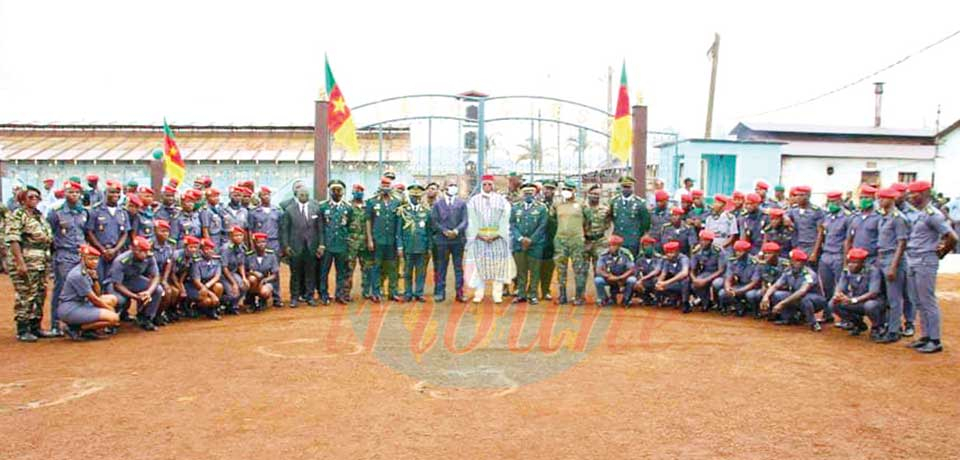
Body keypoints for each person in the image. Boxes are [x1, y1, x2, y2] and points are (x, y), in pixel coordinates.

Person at [903, 180, 958, 354]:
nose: (910, 197)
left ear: (923, 194)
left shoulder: (933, 214)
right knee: (918, 301)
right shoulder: (921, 213)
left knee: (927, 301)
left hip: (925, 261)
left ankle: (935, 340)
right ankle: (925, 336)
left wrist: (941, 253)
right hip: (914, 259)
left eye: (913, 193)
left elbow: (952, 237)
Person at [7, 185, 55, 342]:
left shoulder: (38, 216)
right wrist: (20, 263)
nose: (34, 200)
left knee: (40, 293)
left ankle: (36, 326)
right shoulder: (18, 215)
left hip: (41, 261)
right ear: (22, 199)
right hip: (26, 260)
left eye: (37, 197)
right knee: (26, 294)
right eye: (30, 197)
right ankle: (23, 328)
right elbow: (13, 240)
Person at [465, 174, 514, 304]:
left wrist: (498, 234)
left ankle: (497, 295)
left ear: (493, 185)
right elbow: (470, 220)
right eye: (485, 184)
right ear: (482, 185)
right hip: (479, 239)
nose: (487, 187)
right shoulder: (474, 200)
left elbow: (506, 219)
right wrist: (478, 235)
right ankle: (478, 294)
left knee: (498, 267)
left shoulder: (502, 201)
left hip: (497, 239)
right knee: (479, 267)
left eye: (489, 184)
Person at [47, 179, 87, 337]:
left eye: (77, 192)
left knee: (80, 288)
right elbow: (49, 234)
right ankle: (56, 323)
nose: (74, 195)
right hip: (64, 254)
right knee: (62, 288)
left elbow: (85, 232)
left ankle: (75, 324)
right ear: (64, 194)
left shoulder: (83, 212)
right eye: (71, 192)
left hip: (80, 255)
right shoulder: (56, 212)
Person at [57, 244, 121, 340]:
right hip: (70, 308)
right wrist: (110, 310)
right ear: (83, 258)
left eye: (96, 259)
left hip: (82, 303)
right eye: (91, 259)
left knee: (112, 299)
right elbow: (94, 299)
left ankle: (89, 330)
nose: (94, 262)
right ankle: (76, 329)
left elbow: (98, 294)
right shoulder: (78, 275)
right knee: (113, 318)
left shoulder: (87, 270)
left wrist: (95, 279)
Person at [874, 187, 910, 343]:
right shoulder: (884, 216)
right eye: (879, 198)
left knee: (894, 298)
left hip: (892, 258)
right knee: (885, 296)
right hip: (882, 258)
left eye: (883, 198)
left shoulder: (898, 218)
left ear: (891, 199)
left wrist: (894, 266)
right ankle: (888, 325)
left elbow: (902, 243)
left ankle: (894, 330)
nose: (880, 201)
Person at [760, 248, 826, 332]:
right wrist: (766, 297)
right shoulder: (788, 271)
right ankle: (789, 318)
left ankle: (813, 323)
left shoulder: (809, 275)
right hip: (797, 296)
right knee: (776, 294)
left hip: (815, 300)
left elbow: (802, 291)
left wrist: (782, 304)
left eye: (797, 261)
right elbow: (776, 285)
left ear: (803, 263)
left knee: (804, 299)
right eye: (793, 261)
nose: (793, 263)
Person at [107, 236, 162, 331]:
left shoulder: (149, 256)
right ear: (133, 250)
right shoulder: (121, 260)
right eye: (140, 251)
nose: (143, 254)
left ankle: (146, 318)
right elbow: (117, 284)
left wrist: (148, 292)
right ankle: (111, 323)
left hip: (134, 280)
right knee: (119, 300)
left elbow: (156, 276)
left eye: (145, 251)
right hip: (117, 283)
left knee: (158, 290)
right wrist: (135, 296)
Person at [830, 248, 883, 338]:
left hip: (874, 301)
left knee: (870, 306)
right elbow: (840, 287)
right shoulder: (847, 271)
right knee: (833, 304)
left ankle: (877, 327)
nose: (851, 265)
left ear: (863, 263)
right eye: (850, 262)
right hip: (856, 300)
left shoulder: (873, 271)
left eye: (855, 262)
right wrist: (837, 295)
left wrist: (853, 300)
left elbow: (873, 293)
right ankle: (858, 324)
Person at [85, 180, 129, 288]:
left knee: (115, 282)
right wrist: (102, 250)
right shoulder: (95, 210)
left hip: (116, 253)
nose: (115, 195)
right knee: (98, 282)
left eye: (118, 193)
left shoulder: (123, 212)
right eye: (112, 192)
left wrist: (115, 250)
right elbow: (89, 232)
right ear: (105, 193)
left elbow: (125, 233)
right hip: (99, 253)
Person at [282, 187, 321, 307]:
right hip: (295, 247)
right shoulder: (289, 210)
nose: (304, 196)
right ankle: (294, 298)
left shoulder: (316, 209)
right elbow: (285, 230)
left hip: (311, 246)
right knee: (295, 274)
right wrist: (286, 245)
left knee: (311, 273)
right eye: (301, 194)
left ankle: (310, 296)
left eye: (306, 194)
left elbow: (320, 229)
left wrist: (321, 244)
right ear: (297, 196)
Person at [552, 179, 589, 305]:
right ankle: (562, 296)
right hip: (560, 240)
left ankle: (579, 296)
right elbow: (553, 220)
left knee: (578, 268)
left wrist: (584, 236)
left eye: (569, 189)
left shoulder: (582, 204)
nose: (567, 192)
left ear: (574, 191)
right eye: (565, 189)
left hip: (577, 240)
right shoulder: (557, 204)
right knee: (560, 269)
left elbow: (588, 221)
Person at [366, 177, 403, 302]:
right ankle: (375, 292)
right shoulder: (372, 202)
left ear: (391, 187)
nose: (385, 188)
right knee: (376, 266)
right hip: (377, 240)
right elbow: (368, 221)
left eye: (388, 185)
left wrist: (399, 243)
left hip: (391, 241)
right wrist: (370, 239)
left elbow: (399, 224)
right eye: (383, 185)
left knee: (392, 267)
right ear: (380, 187)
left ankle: (393, 292)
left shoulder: (396, 202)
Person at [431, 179, 468, 303]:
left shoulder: (461, 203)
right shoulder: (438, 204)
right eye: (451, 185)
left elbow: (465, 221)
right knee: (441, 267)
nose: (453, 187)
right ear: (444, 188)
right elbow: (434, 221)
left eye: (455, 185)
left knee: (458, 267)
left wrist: (456, 231)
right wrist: (444, 231)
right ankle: (440, 292)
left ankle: (459, 292)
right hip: (442, 240)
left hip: (458, 240)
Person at [511, 182, 547, 305]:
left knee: (535, 270)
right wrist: (520, 238)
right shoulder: (515, 207)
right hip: (519, 244)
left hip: (535, 244)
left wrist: (531, 239)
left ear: (535, 193)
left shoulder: (541, 208)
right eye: (525, 193)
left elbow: (542, 226)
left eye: (530, 193)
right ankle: (521, 294)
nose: (528, 195)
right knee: (521, 271)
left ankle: (533, 294)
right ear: (521, 194)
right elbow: (512, 224)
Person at [819, 190, 853, 326]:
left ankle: (846, 318)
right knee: (827, 288)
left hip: (839, 255)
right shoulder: (827, 216)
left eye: (834, 201)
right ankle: (827, 314)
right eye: (829, 201)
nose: (831, 204)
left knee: (841, 287)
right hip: (826, 254)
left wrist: (846, 261)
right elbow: (822, 233)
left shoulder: (847, 217)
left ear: (840, 201)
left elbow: (848, 240)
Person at [317, 180, 353, 305]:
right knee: (324, 271)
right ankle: (324, 295)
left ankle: (340, 295)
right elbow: (320, 228)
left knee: (341, 272)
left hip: (341, 244)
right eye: (334, 190)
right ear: (330, 191)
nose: (336, 192)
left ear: (343, 192)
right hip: (327, 244)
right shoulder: (323, 207)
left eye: (339, 190)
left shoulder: (348, 208)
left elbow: (348, 226)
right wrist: (321, 244)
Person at [397, 184, 431, 302]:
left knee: (421, 272)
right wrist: (400, 246)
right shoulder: (403, 211)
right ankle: (408, 293)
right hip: (408, 246)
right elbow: (399, 231)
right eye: (413, 196)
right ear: (409, 196)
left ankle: (419, 293)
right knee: (407, 272)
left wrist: (429, 247)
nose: (415, 199)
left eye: (418, 197)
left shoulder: (426, 211)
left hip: (422, 246)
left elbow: (429, 232)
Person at [610, 176, 651, 258]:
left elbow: (645, 223)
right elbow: (612, 218)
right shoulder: (614, 202)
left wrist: (640, 235)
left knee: (632, 262)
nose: (626, 189)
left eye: (628, 187)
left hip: (632, 239)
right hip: (617, 238)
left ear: (632, 188)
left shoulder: (640, 203)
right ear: (621, 187)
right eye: (624, 187)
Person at [786, 185, 824, 269]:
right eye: (797, 195)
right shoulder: (794, 210)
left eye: (802, 195)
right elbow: (784, 214)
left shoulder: (816, 211)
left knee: (810, 271)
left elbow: (820, 233)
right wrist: (786, 218)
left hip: (811, 246)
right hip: (798, 245)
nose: (798, 198)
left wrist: (814, 252)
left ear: (808, 196)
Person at [717, 240, 759, 316]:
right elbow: (728, 277)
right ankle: (738, 306)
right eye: (736, 251)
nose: (738, 253)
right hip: (739, 285)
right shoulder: (733, 261)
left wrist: (740, 291)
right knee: (722, 293)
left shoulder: (755, 262)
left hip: (752, 287)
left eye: (740, 251)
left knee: (750, 295)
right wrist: (728, 288)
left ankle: (755, 311)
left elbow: (754, 282)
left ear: (747, 251)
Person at [689, 230, 726, 313]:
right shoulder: (697, 251)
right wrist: (694, 279)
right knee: (694, 285)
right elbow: (692, 269)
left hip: (719, 274)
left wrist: (705, 280)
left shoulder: (719, 251)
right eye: (701, 240)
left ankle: (719, 302)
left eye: (706, 240)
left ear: (711, 241)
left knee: (716, 284)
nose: (702, 242)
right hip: (706, 272)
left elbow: (721, 270)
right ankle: (706, 302)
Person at [347, 184, 373, 301]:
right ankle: (346, 293)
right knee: (348, 268)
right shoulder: (348, 206)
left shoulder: (368, 206)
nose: (358, 193)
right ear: (352, 192)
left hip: (365, 243)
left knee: (367, 268)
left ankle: (366, 291)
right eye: (356, 191)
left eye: (360, 191)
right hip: (351, 243)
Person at [594, 235, 637, 306]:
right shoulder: (603, 254)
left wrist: (621, 277)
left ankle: (626, 299)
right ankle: (604, 299)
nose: (611, 247)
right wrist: (607, 276)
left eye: (614, 245)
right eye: (610, 245)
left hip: (623, 277)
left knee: (632, 280)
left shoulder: (626, 253)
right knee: (598, 280)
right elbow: (599, 270)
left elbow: (631, 269)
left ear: (619, 246)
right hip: (609, 277)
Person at [749, 242, 788, 319]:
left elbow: (787, 283)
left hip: (783, 289)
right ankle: (761, 311)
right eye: (765, 253)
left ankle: (780, 314)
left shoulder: (785, 264)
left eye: (769, 253)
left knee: (777, 295)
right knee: (752, 294)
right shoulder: (762, 264)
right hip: (769, 288)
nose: (766, 255)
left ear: (777, 254)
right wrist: (764, 286)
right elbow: (760, 279)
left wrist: (769, 290)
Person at [188, 238, 225, 320]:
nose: (209, 251)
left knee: (219, 286)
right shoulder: (196, 262)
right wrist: (211, 294)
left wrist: (207, 286)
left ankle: (213, 310)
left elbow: (217, 276)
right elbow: (196, 281)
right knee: (207, 301)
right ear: (201, 251)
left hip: (208, 285)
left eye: (211, 249)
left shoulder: (216, 260)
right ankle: (197, 307)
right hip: (196, 287)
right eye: (206, 249)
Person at [846, 185, 881, 267]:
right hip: (855, 259)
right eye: (861, 198)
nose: (863, 200)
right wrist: (847, 257)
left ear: (873, 199)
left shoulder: (879, 217)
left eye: (866, 197)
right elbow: (849, 240)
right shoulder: (855, 216)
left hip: (872, 258)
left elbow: (882, 241)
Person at [245, 232, 279, 311]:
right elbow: (244, 271)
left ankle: (262, 301)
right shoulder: (249, 256)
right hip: (253, 282)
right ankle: (251, 301)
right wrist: (253, 273)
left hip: (266, 281)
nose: (261, 244)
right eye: (258, 242)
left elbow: (274, 274)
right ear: (254, 243)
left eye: (263, 242)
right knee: (252, 279)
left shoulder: (271, 255)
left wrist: (264, 280)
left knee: (265, 292)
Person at [152, 219, 177, 326]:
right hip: (149, 276)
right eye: (162, 231)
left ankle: (161, 314)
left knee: (174, 292)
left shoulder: (170, 245)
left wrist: (164, 280)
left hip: (162, 275)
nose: (165, 233)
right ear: (155, 231)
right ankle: (148, 315)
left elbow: (168, 263)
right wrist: (159, 280)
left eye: (167, 231)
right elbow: (149, 267)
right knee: (162, 291)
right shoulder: (149, 245)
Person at [583, 184, 611, 277]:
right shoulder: (582, 208)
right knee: (581, 272)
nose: (595, 196)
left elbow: (608, 223)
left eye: (598, 194)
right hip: (584, 242)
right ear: (588, 194)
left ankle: (600, 291)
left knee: (599, 271)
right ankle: (580, 291)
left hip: (600, 242)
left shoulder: (606, 209)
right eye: (593, 193)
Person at [220, 226, 249, 315]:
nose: (239, 237)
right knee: (233, 293)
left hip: (233, 272)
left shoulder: (241, 247)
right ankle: (222, 303)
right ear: (231, 237)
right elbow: (224, 268)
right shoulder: (226, 248)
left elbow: (241, 264)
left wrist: (244, 277)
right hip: (223, 274)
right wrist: (234, 283)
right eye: (236, 236)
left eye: (240, 235)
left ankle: (234, 305)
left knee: (244, 286)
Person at [171, 235, 201, 319]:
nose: (193, 250)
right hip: (170, 278)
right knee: (175, 292)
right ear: (185, 247)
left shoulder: (193, 257)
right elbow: (172, 273)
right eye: (191, 247)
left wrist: (181, 284)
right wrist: (179, 286)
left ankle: (184, 307)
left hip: (180, 279)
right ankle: (170, 310)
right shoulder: (176, 255)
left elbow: (185, 271)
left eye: (195, 247)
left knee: (194, 295)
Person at [538, 179, 558, 301]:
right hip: (538, 239)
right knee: (535, 267)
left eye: (551, 189)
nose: (549, 191)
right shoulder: (537, 203)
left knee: (548, 267)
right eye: (547, 188)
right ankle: (532, 290)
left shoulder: (558, 205)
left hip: (552, 239)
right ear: (543, 189)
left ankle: (546, 290)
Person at [655, 241, 689, 308]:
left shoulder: (684, 259)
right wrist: (659, 283)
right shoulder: (667, 261)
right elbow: (663, 274)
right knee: (657, 283)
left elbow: (684, 273)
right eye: (667, 253)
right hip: (675, 283)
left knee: (685, 281)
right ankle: (670, 299)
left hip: (687, 284)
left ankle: (685, 302)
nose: (668, 255)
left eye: (671, 252)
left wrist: (666, 283)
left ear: (677, 252)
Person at [629, 236, 661, 306]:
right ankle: (646, 298)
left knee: (657, 281)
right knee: (634, 282)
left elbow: (657, 271)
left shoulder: (659, 258)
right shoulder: (639, 259)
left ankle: (658, 299)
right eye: (644, 245)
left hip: (655, 281)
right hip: (644, 282)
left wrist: (643, 279)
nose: (646, 247)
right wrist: (639, 280)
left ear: (653, 246)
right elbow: (636, 272)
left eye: (648, 245)